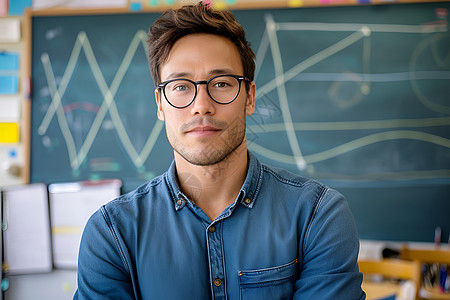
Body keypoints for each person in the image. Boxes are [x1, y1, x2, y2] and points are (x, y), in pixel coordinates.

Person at [74, 2, 365, 299]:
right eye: (181, 87)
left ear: (249, 98)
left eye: (222, 83)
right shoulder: (112, 233)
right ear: (160, 104)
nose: (201, 105)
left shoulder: (317, 216)